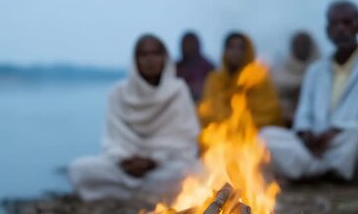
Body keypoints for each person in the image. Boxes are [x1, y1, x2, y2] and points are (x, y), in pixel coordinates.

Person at [260, 0, 358, 182]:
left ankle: (313, 171)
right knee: (265, 135)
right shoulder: (316, 70)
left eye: (347, 23)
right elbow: (303, 116)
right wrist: (306, 135)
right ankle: (327, 170)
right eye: (334, 24)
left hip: (349, 142)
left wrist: (338, 131)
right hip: (316, 148)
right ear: (327, 30)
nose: (341, 29)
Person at [68, 34, 200, 202]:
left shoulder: (178, 90)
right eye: (143, 54)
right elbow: (112, 139)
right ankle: (148, 194)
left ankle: (124, 193)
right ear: (135, 59)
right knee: (79, 169)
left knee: (195, 171)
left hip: (164, 166)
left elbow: (185, 140)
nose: (150, 60)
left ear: (164, 58)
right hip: (125, 167)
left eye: (155, 54)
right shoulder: (118, 92)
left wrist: (153, 160)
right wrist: (124, 160)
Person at [198, 32, 284, 129]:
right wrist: (229, 124)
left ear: (248, 51)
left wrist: (242, 125)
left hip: (256, 132)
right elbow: (210, 109)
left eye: (240, 48)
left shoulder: (260, 79)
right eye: (231, 47)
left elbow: (269, 113)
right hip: (221, 133)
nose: (235, 52)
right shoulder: (215, 79)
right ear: (225, 51)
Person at [271, 31, 320, 126]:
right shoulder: (282, 68)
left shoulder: (322, 70)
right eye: (297, 44)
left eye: (304, 44)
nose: (301, 47)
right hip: (284, 121)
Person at [176, 32, 215, 101]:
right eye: (186, 44)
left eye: (191, 43)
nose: (188, 46)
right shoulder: (175, 67)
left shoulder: (208, 66)